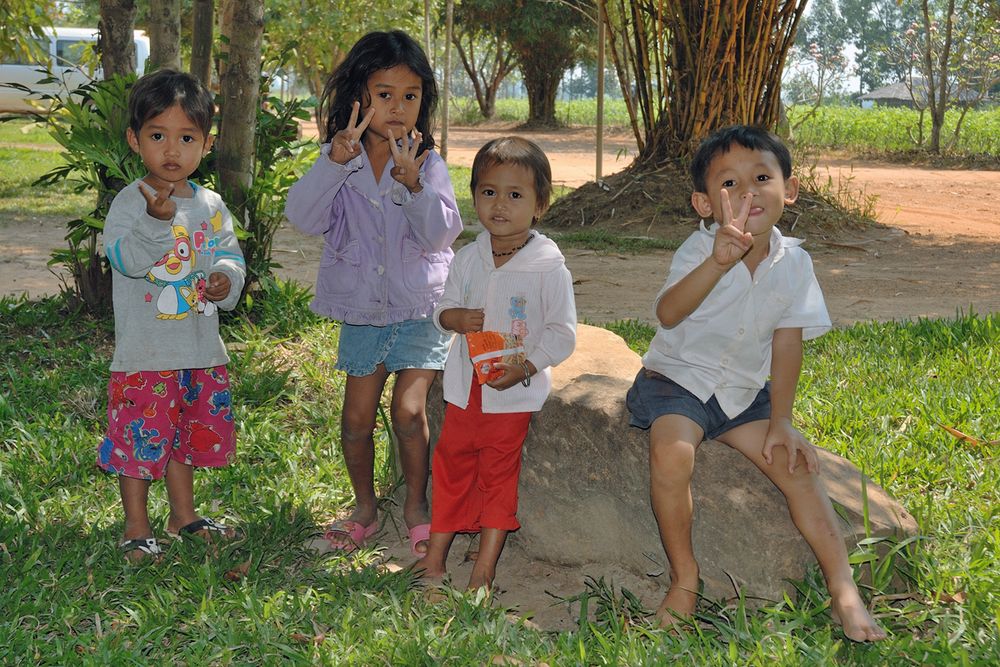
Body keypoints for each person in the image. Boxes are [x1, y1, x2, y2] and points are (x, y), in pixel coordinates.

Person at [625, 125, 886, 642]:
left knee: (796, 466)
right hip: (677, 382)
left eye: (761, 177)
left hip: (743, 394)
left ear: (788, 189)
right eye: (729, 184)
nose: (748, 193)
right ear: (703, 203)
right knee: (673, 455)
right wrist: (717, 264)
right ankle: (685, 579)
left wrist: (782, 421)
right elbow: (668, 313)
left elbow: (788, 344)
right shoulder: (699, 248)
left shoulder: (796, 264)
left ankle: (843, 588)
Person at [284, 30, 462, 557]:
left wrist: (414, 188)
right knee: (357, 419)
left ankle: (415, 506)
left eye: (410, 97)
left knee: (409, 411)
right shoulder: (339, 159)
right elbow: (303, 218)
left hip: (420, 309)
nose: (398, 108)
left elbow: (441, 235)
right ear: (360, 96)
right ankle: (363, 507)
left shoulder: (427, 163)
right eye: (385, 94)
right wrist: (332, 164)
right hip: (362, 311)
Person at [413, 137, 577, 590]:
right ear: (475, 196)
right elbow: (441, 308)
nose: (500, 205)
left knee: (498, 476)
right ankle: (437, 557)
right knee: (449, 467)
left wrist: (527, 367)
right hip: (465, 390)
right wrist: (454, 318)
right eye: (488, 192)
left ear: (540, 205)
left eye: (515, 195)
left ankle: (485, 567)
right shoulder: (468, 258)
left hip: (512, 396)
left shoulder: (548, 268)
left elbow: (562, 334)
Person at [98, 69, 246, 562]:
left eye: (186, 138)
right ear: (134, 140)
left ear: (205, 144)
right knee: (142, 442)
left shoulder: (212, 205)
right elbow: (125, 260)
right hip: (146, 355)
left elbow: (230, 254)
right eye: (157, 135)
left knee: (185, 438)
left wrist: (226, 278)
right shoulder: (128, 202)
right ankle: (136, 526)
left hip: (199, 351)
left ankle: (184, 515)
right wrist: (156, 225)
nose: (171, 150)